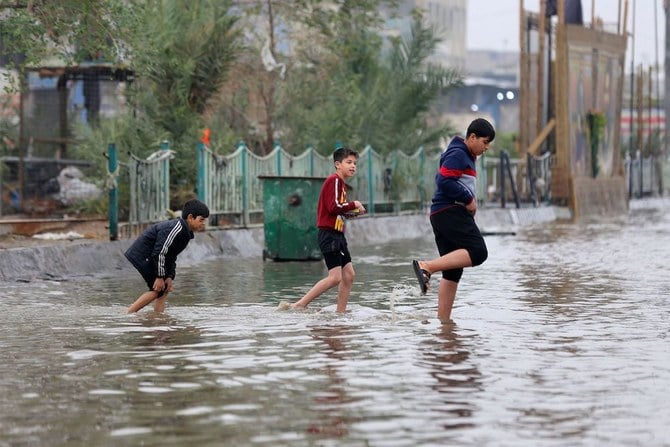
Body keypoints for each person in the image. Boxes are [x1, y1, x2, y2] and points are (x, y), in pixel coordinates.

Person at [412, 118, 495, 323]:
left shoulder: (462, 153)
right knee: (478, 252)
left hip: (442, 214)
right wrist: (469, 200)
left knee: (453, 271)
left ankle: (444, 325)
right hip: (450, 211)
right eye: (484, 142)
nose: (486, 148)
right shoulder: (459, 153)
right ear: (472, 137)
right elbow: (443, 180)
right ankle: (427, 266)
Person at [290, 147, 366, 312]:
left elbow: (338, 211)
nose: (353, 166)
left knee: (349, 275)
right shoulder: (335, 180)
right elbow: (333, 207)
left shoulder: (342, 184)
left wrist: (353, 213)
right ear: (338, 164)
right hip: (329, 235)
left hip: (338, 235)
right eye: (349, 162)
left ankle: (341, 313)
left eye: (355, 163)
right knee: (335, 278)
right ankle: (299, 304)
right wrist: (355, 204)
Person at [125, 199, 210, 313]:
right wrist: (160, 277)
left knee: (164, 289)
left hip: (153, 257)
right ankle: (128, 314)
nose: (203, 223)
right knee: (158, 290)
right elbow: (159, 252)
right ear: (190, 217)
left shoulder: (185, 233)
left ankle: (158, 319)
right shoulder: (176, 229)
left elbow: (171, 255)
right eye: (201, 220)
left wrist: (169, 276)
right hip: (143, 255)